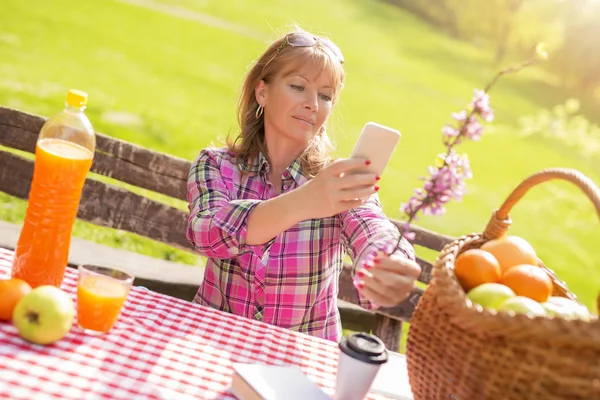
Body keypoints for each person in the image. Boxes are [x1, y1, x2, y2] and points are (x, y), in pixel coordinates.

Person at [186, 28, 420, 343]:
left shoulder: (335, 181)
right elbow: (205, 233)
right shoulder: (215, 165)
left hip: (300, 357)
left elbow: (372, 227)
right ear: (262, 92)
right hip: (210, 341)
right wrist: (303, 202)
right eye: (298, 86)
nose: (313, 104)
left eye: (325, 95)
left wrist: (388, 261)